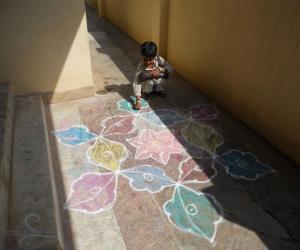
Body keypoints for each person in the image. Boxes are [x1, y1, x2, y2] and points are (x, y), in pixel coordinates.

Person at [133, 41, 173, 110]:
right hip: (148, 83)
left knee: (161, 78)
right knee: (149, 82)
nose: (148, 62)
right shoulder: (140, 67)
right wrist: (138, 101)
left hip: (158, 81)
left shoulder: (159, 59)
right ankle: (147, 92)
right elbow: (136, 82)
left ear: (155, 56)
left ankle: (159, 90)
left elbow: (171, 68)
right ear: (142, 56)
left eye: (150, 59)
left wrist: (162, 69)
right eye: (145, 59)